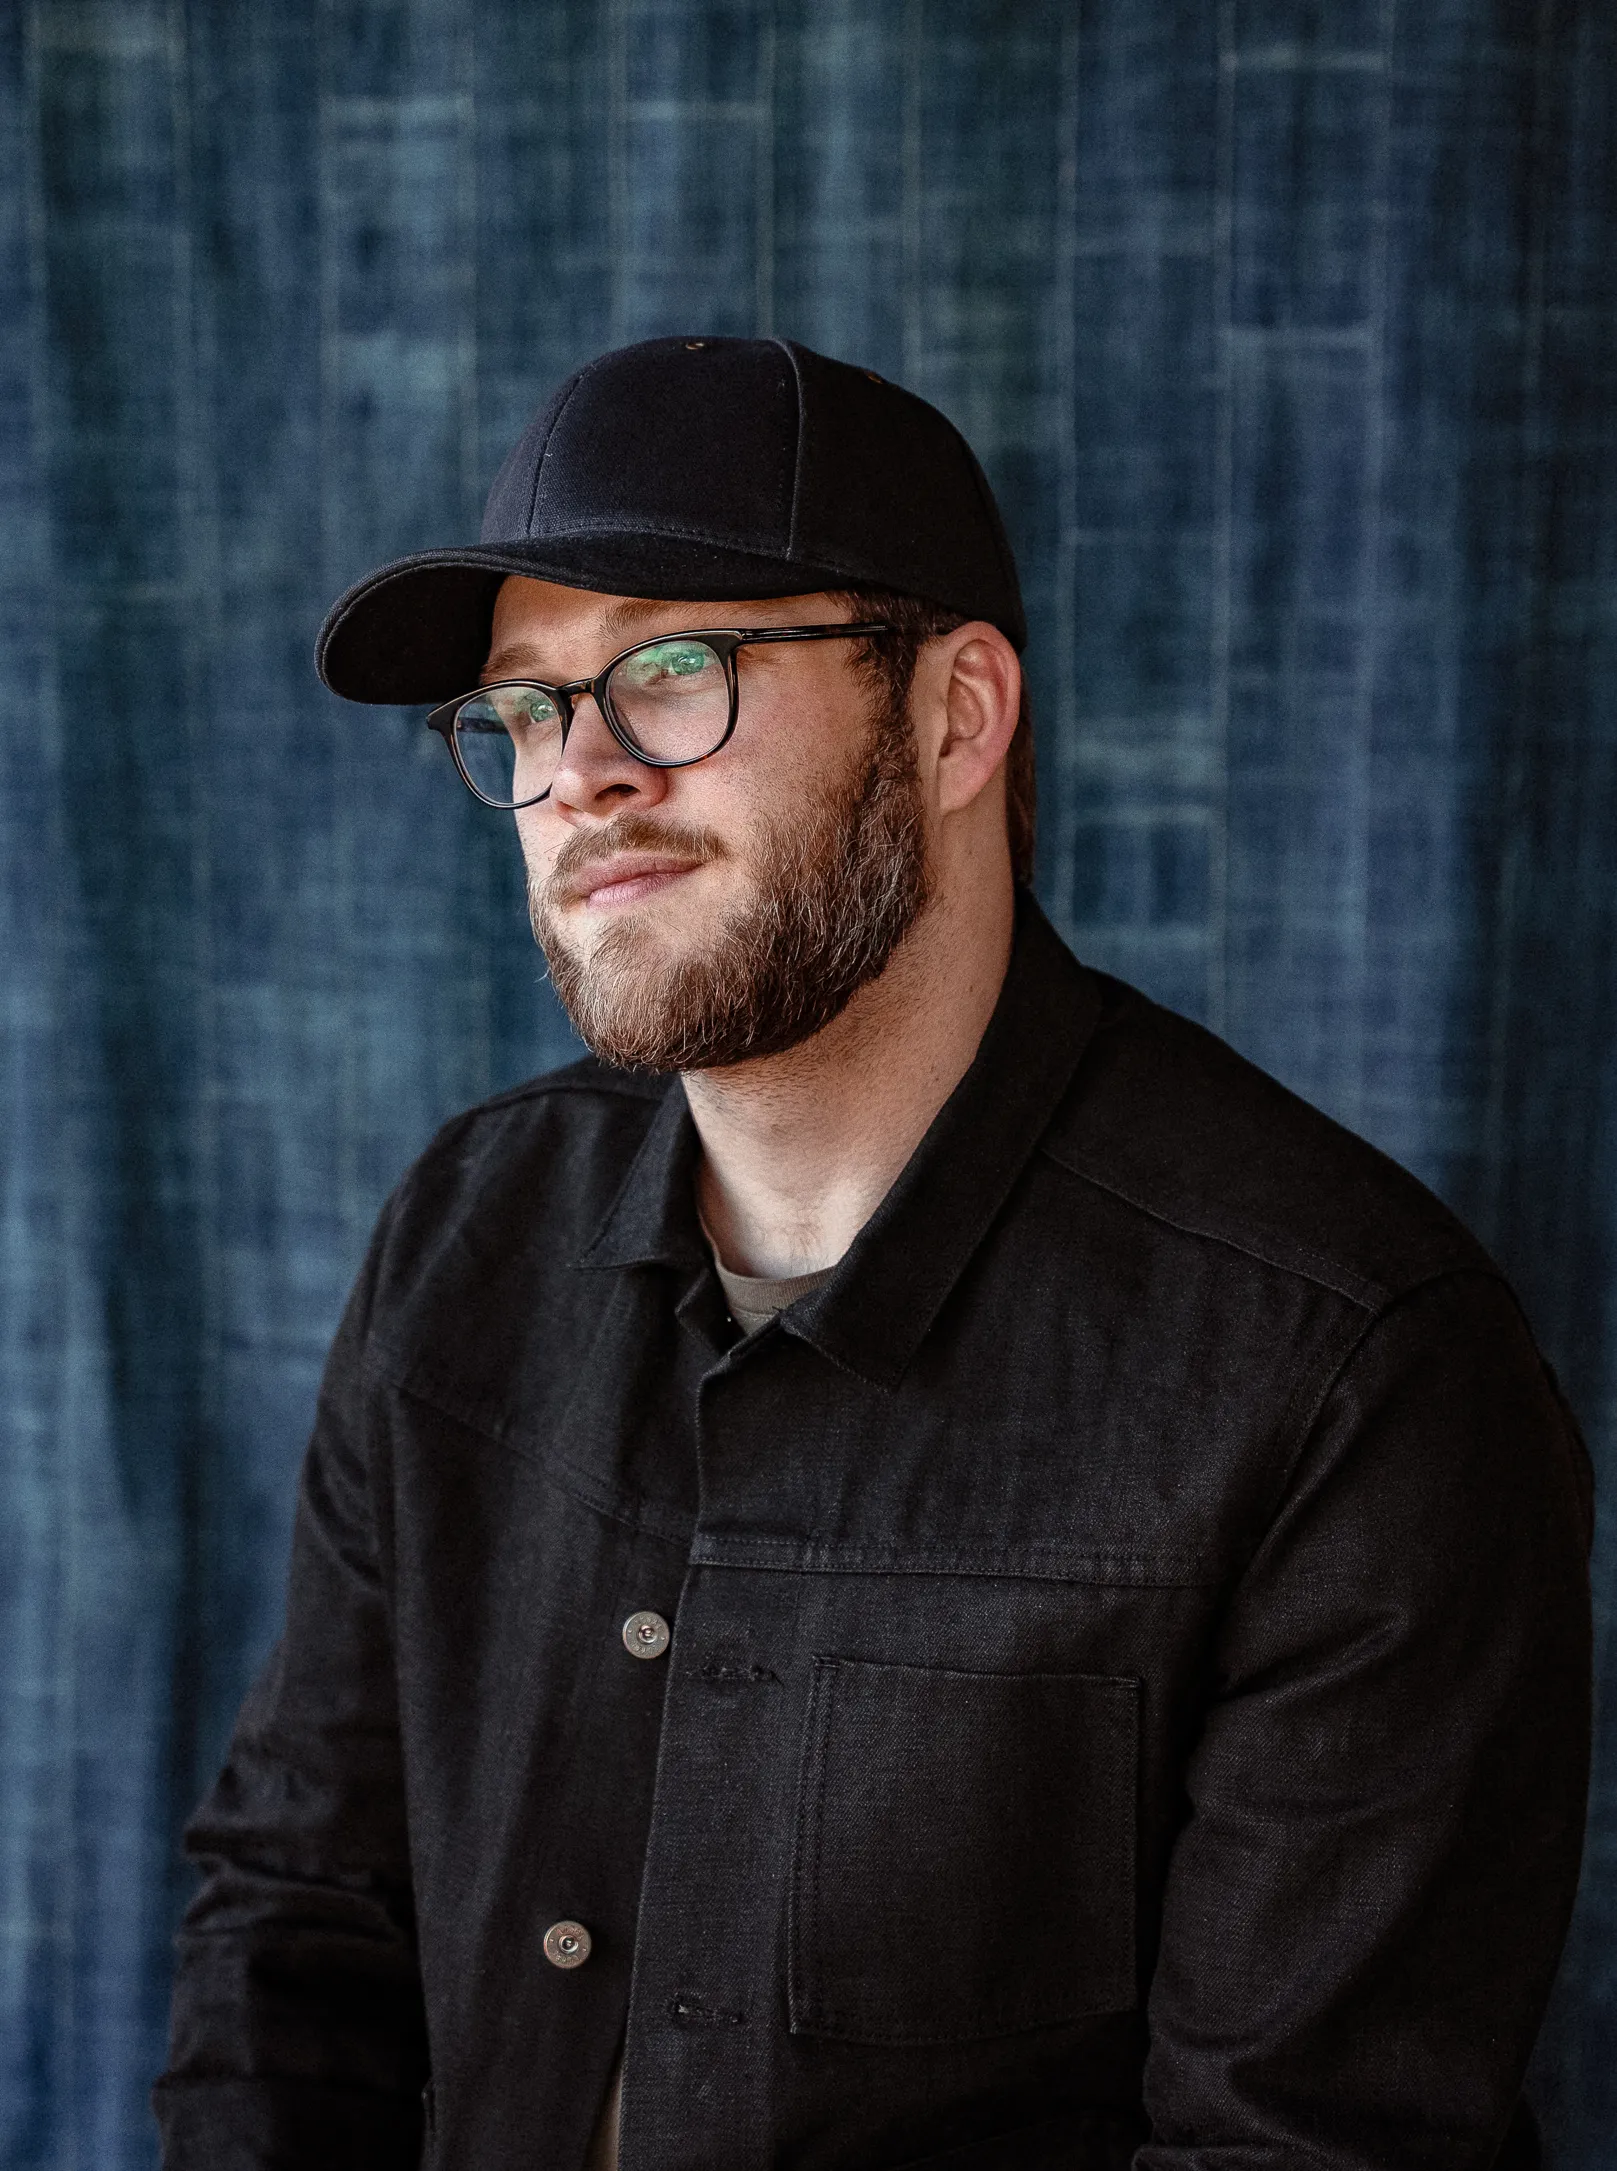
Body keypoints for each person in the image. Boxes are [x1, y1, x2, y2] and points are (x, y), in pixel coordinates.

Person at [154, 336, 1592, 2171]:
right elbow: (296, 1927)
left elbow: (1302, 2148)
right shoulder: (463, 1239)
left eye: (673, 673)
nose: (575, 775)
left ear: (956, 716)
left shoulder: (1353, 1376)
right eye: (521, 711)